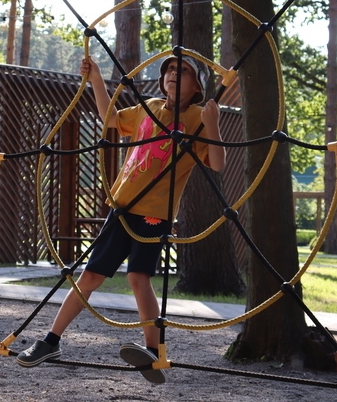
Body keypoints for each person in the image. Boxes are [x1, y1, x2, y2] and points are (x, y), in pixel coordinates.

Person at [16, 52, 226, 383]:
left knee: (138, 278)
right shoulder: (150, 108)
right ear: (162, 80)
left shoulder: (200, 118)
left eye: (183, 71)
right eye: (170, 69)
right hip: (122, 207)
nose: (174, 74)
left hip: (155, 214)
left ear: (196, 85)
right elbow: (110, 117)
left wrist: (213, 126)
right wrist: (97, 78)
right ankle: (50, 341)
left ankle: (153, 354)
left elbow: (216, 163)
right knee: (89, 277)